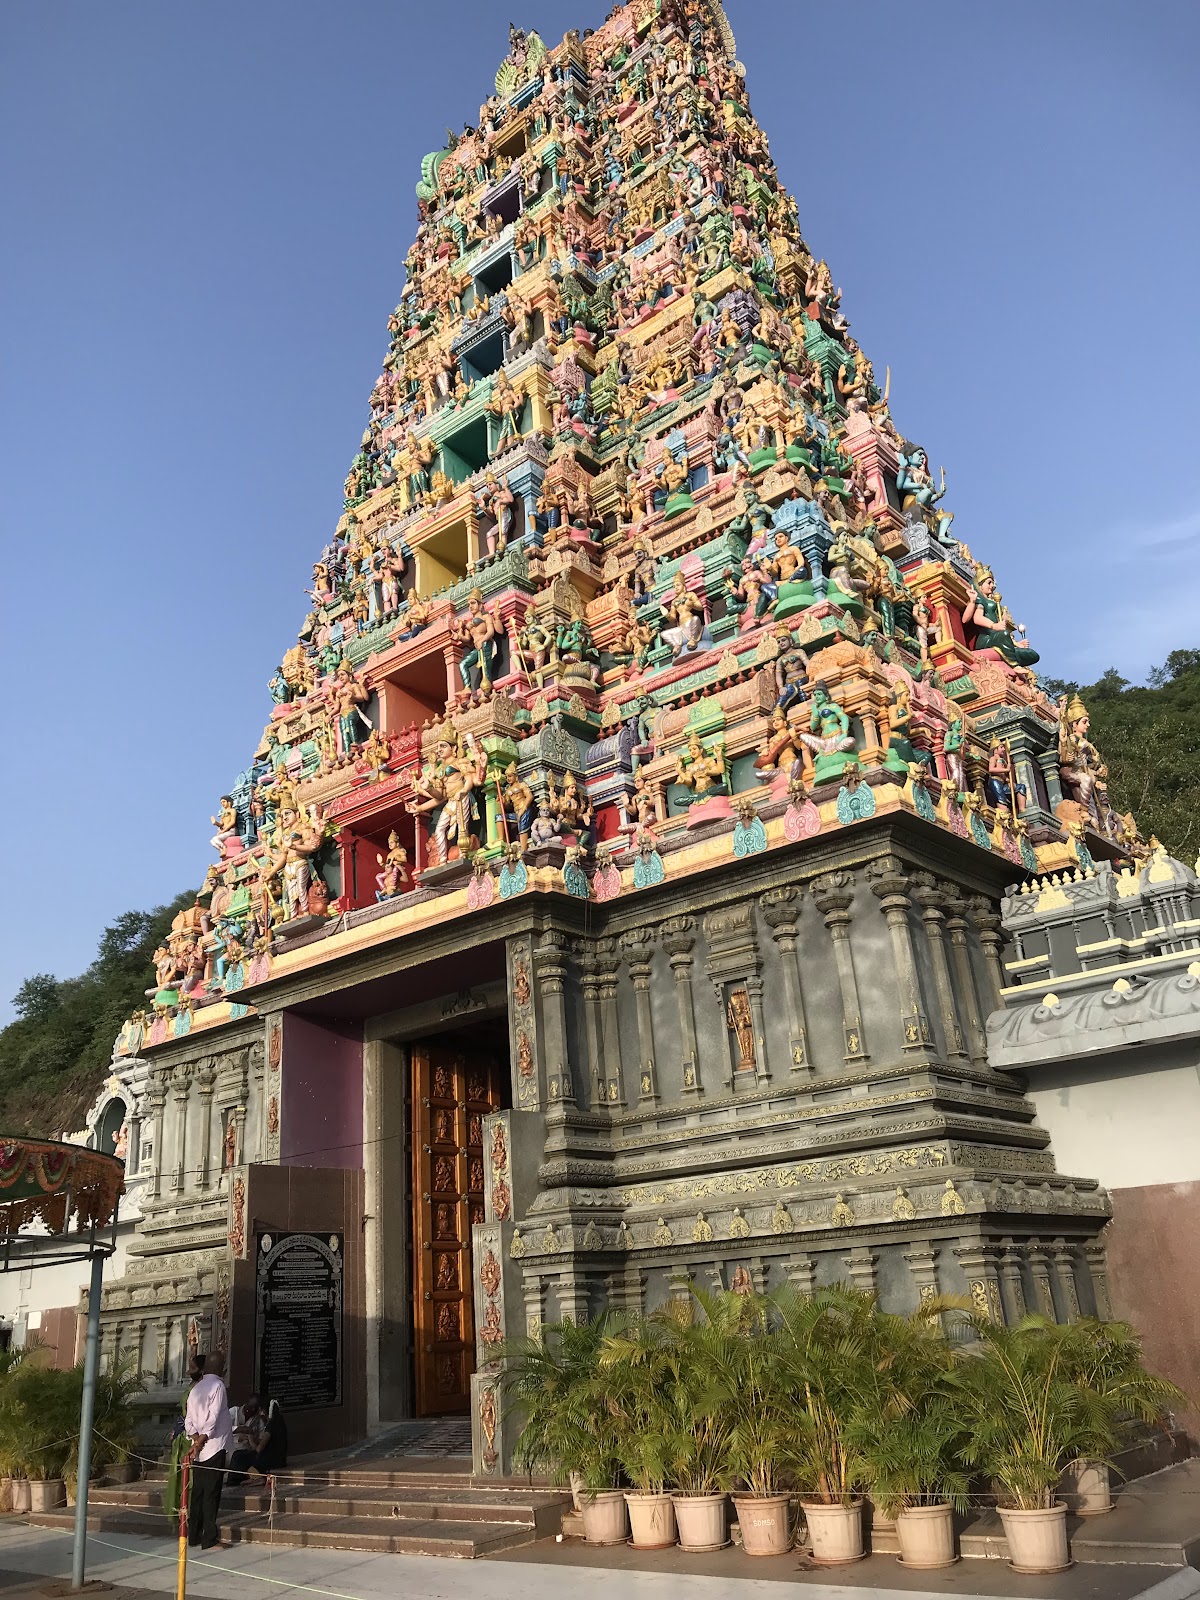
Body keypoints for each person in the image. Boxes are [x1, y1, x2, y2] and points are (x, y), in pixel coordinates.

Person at [184, 1351, 234, 1550]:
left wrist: (195, 1439)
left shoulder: (196, 1388)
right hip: (213, 1446)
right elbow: (213, 1418)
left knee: (198, 1492)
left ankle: (193, 1535)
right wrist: (202, 1439)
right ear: (221, 1367)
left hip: (200, 1448)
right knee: (211, 1493)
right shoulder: (218, 1386)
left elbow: (189, 1420)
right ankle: (209, 1539)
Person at [163, 1351, 204, 1526]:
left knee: (191, 1478)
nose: (189, 1371)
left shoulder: (204, 1388)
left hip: (193, 1437)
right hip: (184, 1436)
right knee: (181, 1476)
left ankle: (189, 1515)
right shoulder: (193, 1387)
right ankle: (180, 1515)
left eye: (193, 1367)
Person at [226, 1395, 288, 1487]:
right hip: (279, 1459)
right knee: (241, 1455)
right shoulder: (278, 1422)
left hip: (271, 1460)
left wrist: (250, 1438)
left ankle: (235, 1481)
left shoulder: (270, 1426)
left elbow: (258, 1449)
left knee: (239, 1456)